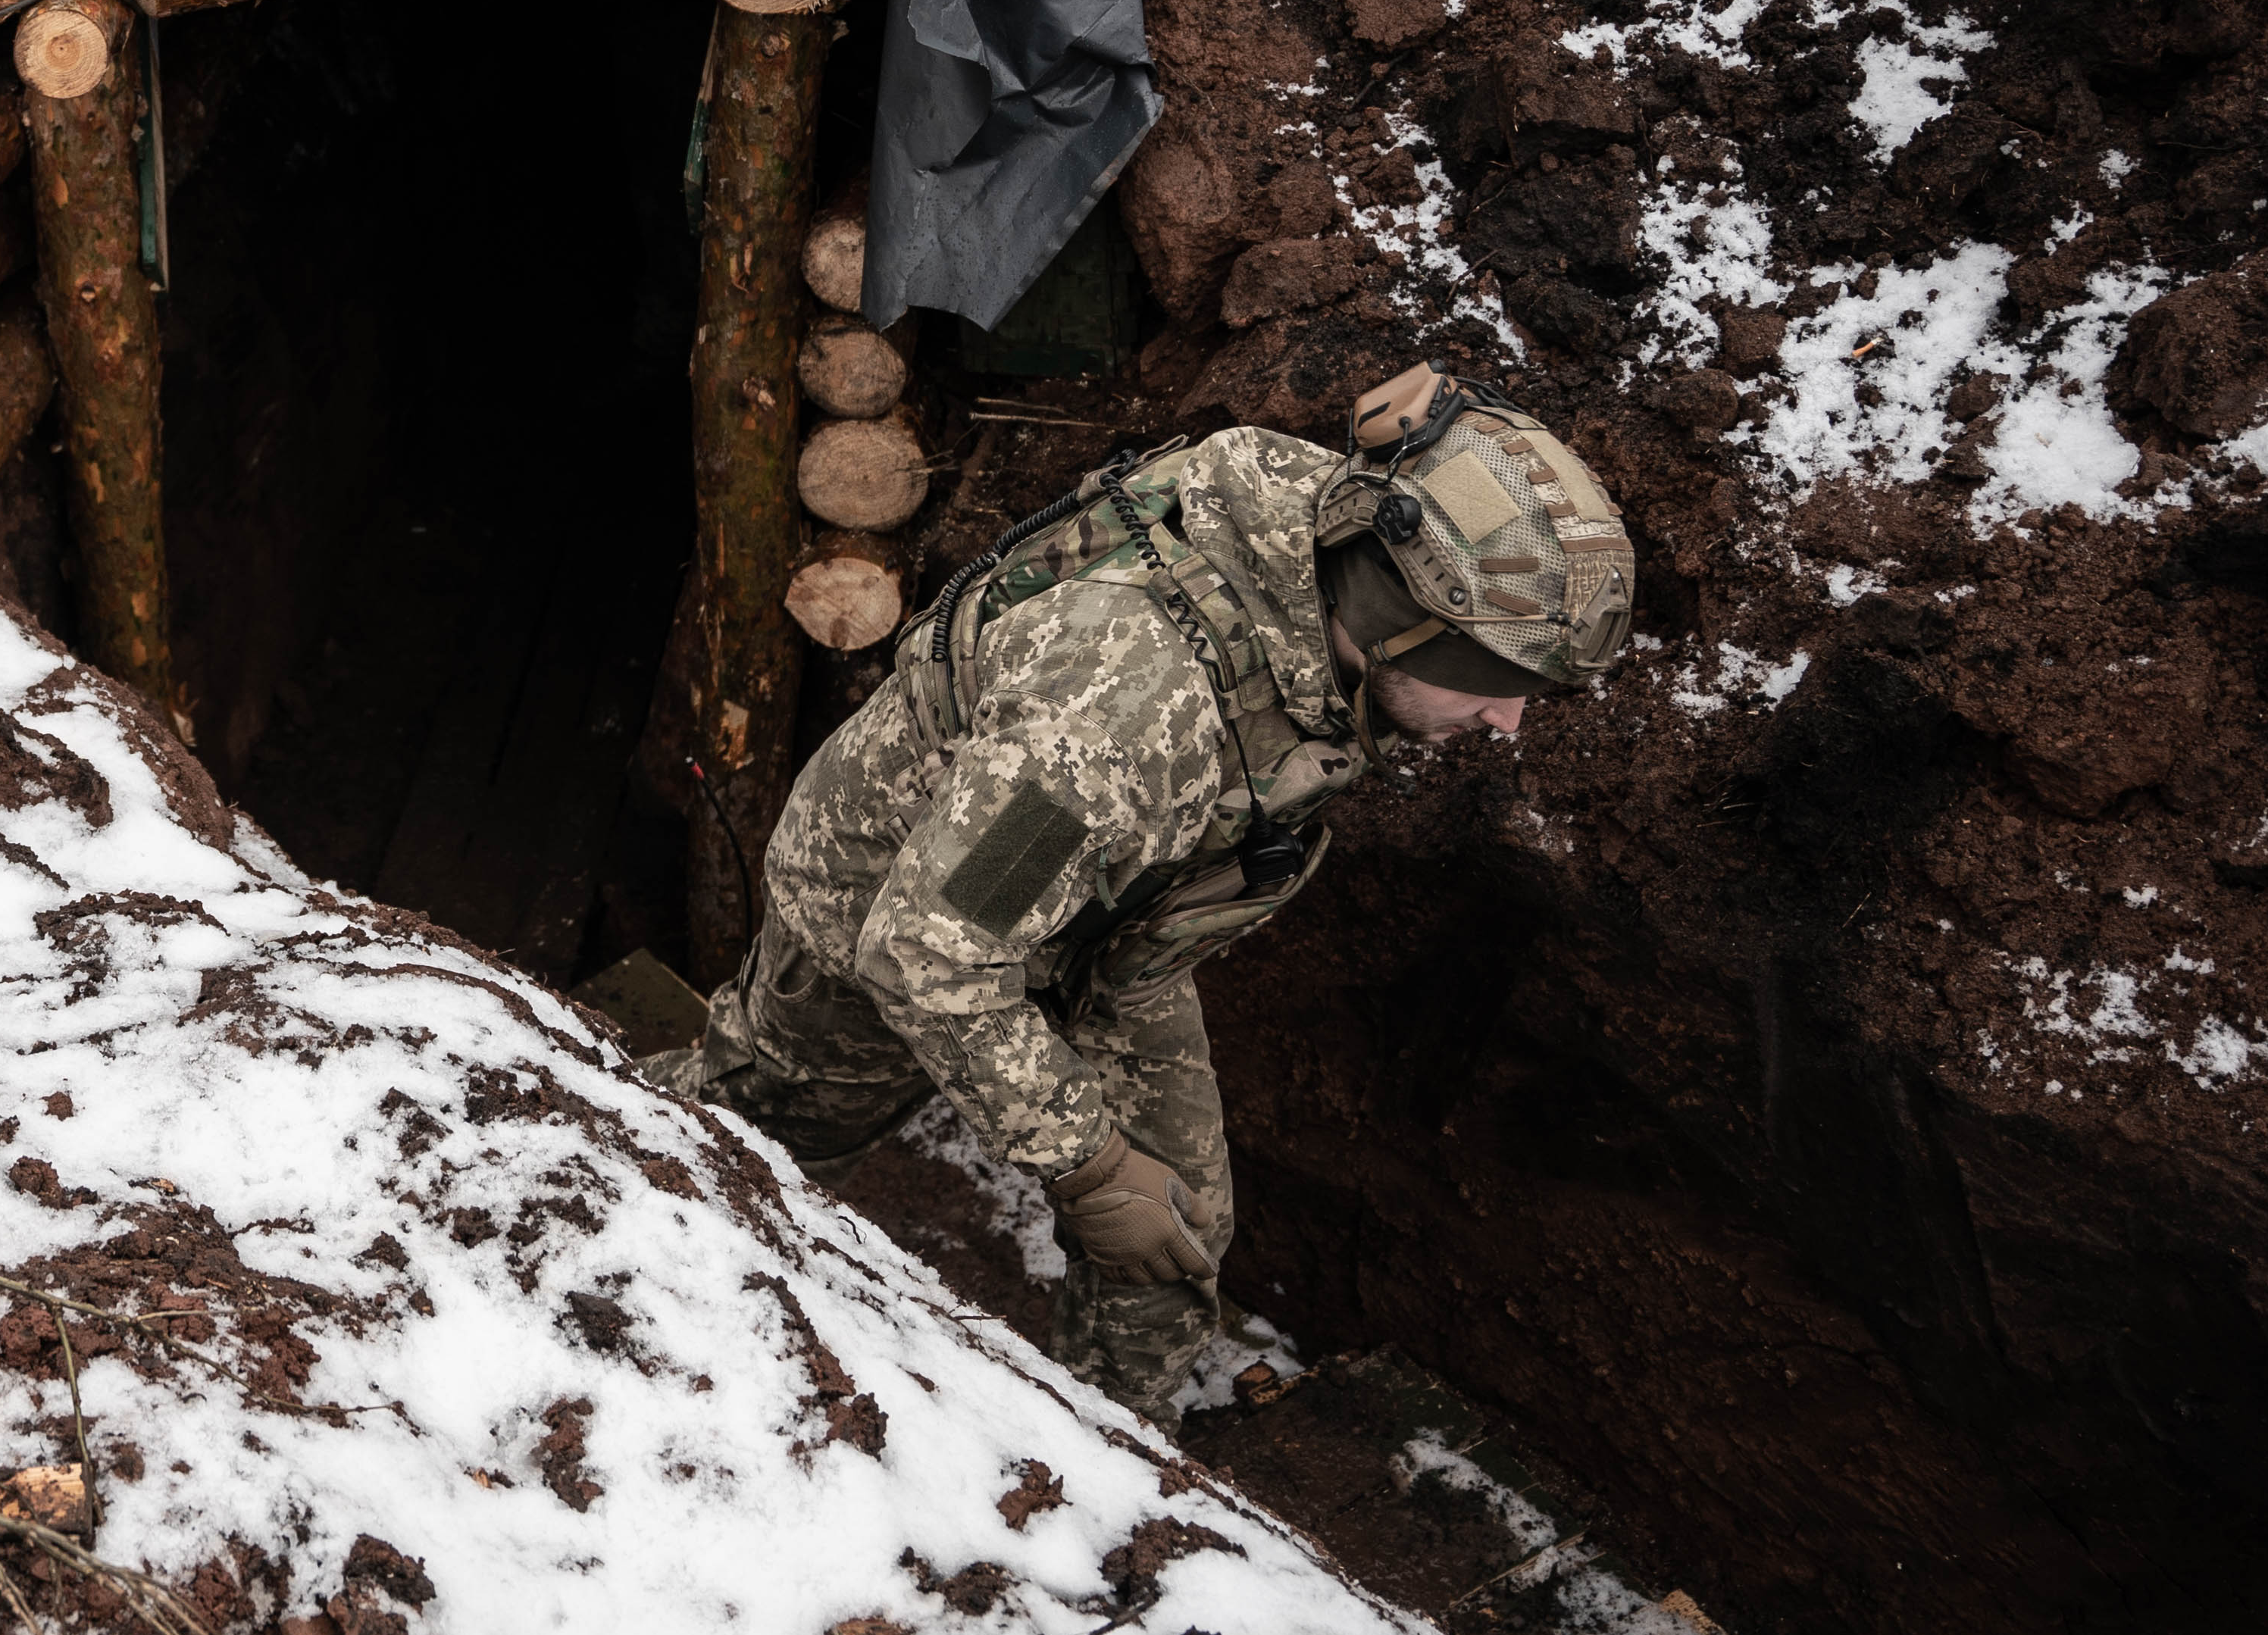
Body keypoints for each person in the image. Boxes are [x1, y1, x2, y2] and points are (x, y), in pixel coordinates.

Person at [645, 365, 1636, 1421]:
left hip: (1112, 924)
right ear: (1400, 621)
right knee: (764, 1128)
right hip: (889, 902)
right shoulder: (1115, 714)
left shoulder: (1326, 528)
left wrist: (1127, 1176)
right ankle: (612, 1213)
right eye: (1499, 683)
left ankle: (1099, 1474)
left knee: (1174, 1238)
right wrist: (1087, 1163)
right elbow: (933, 954)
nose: (1508, 727)